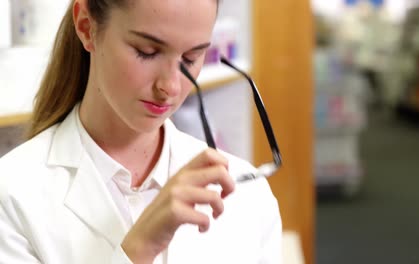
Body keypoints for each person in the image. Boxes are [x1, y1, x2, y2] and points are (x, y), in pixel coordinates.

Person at [0, 0, 282, 263]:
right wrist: (139, 247)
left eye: (192, 57)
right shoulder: (14, 193)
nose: (170, 87)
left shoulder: (248, 198)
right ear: (86, 26)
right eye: (147, 52)